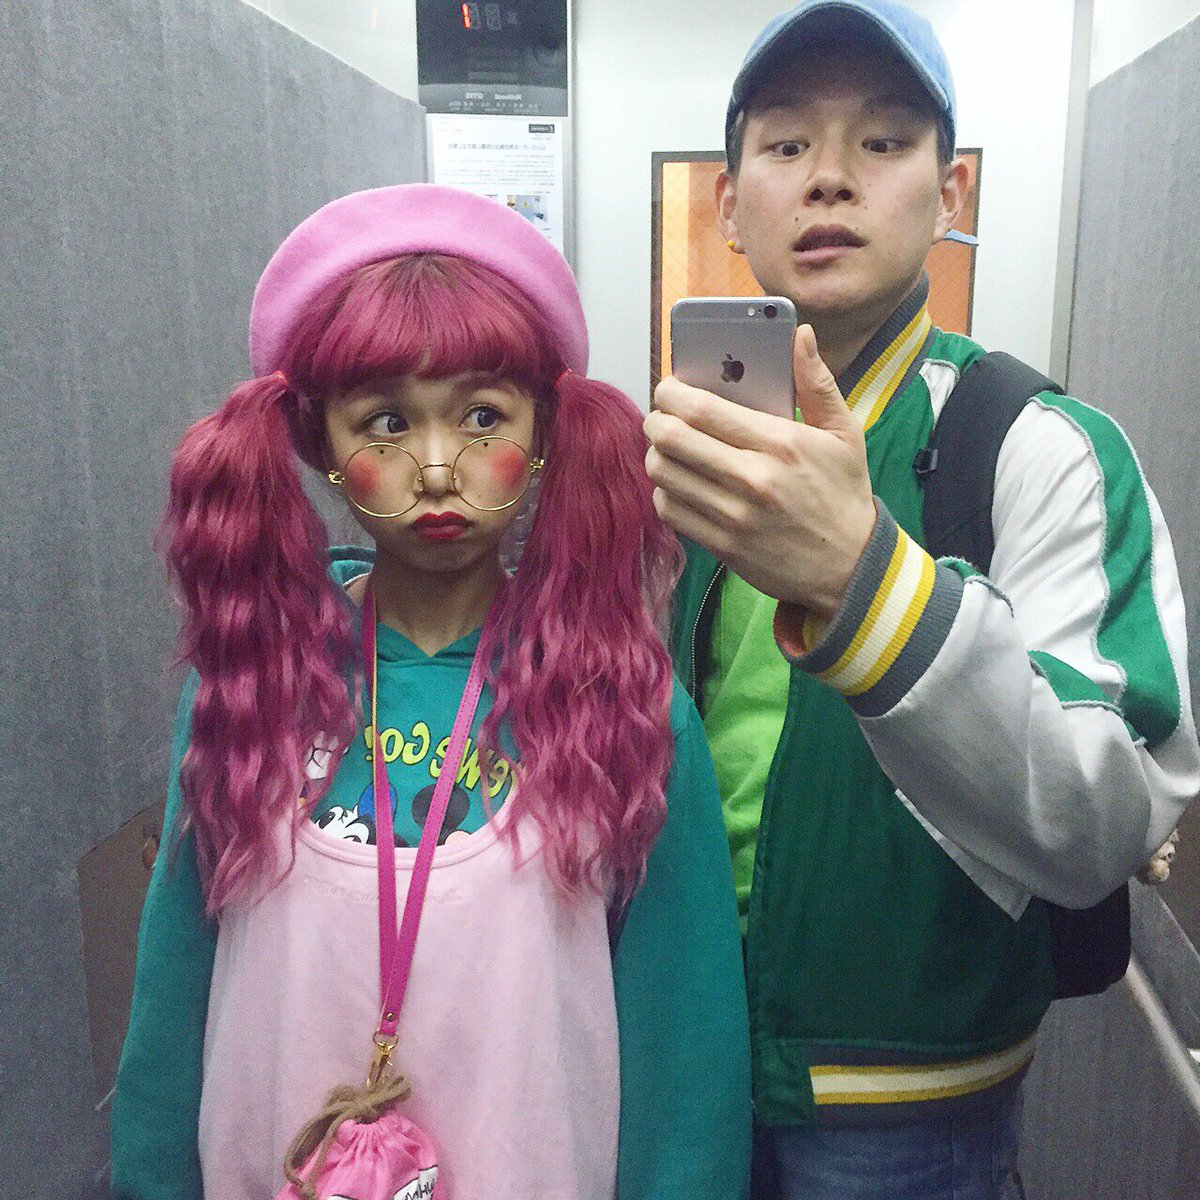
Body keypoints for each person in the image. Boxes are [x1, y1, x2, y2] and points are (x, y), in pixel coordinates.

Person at [642, 2, 1200, 1197]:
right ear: (729, 205)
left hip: (908, 1111)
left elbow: (1105, 822)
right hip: (678, 1052)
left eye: (884, 142)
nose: (830, 177)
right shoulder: (685, 456)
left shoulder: (1042, 448)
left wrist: (862, 581)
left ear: (951, 195)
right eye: (787, 144)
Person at [111, 184, 751, 1200]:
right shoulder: (253, 685)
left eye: (484, 415)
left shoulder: (620, 701)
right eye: (387, 422)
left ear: (545, 431)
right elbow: (173, 1002)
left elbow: (686, 1056)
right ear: (320, 443)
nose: (440, 466)